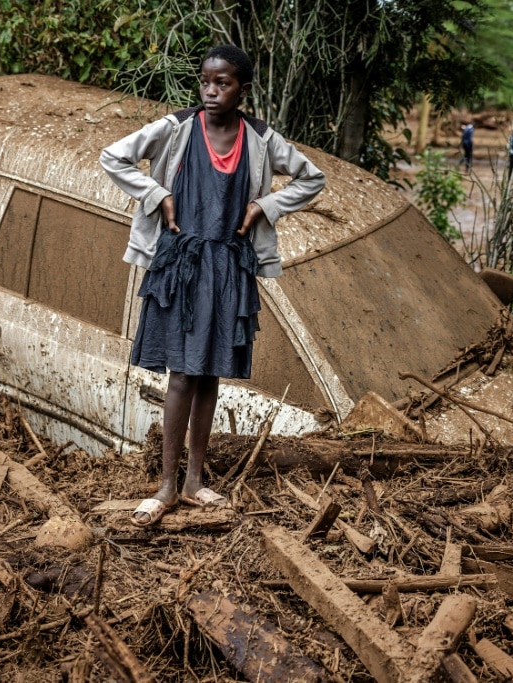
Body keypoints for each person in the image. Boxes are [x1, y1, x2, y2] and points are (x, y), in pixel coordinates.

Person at [99, 45, 326, 527]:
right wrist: (157, 194)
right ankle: (165, 486)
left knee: (209, 376)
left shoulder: (261, 139)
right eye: (205, 81)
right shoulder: (176, 128)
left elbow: (312, 177)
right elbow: (113, 157)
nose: (210, 90)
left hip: (229, 269)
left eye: (222, 83)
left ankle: (195, 482)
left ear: (243, 90)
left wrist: (265, 206)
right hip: (182, 266)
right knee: (181, 374)